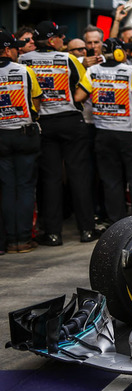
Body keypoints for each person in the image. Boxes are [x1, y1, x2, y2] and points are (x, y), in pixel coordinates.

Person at [20, 21, 96, 245]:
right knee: (79, 176)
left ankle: (53, 234)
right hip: (70, 120)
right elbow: (85, 85)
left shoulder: (23, 61)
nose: (63, 40)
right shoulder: (69, 59)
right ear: (53, 40)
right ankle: (87, 230)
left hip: (44, 123)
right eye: (61, 37)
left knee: (50, 179)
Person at [74, 38, 132, 223]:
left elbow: (79, 96)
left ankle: (117, 222)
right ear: (120, 53)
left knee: (111, 181)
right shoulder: (131, 71)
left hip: (103, 132)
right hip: (129, 133)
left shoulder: (92, 71)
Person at [0, 30, 42, 253]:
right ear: (8, 50)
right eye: (16, 48)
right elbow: (36, 103)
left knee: (7, 188)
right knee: (25, 187)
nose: (18, 51)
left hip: (1, 136)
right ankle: (24, 240)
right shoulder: (25, 71)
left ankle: (10, 240)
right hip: (24, 134)